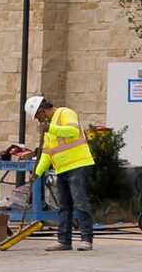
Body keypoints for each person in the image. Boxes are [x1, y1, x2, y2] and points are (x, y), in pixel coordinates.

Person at [36, 102, 97, 250]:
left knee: (81, 202)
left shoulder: (65, 113)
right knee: (63, 206)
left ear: (43, 111)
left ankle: (86, 239)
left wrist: (50, 128)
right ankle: (64, 241)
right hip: (62, 169)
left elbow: (73, 131)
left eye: (37, 116)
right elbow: (46, 153)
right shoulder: (48, 126)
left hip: (78, 165)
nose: (38, 120)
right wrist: (37, 173)